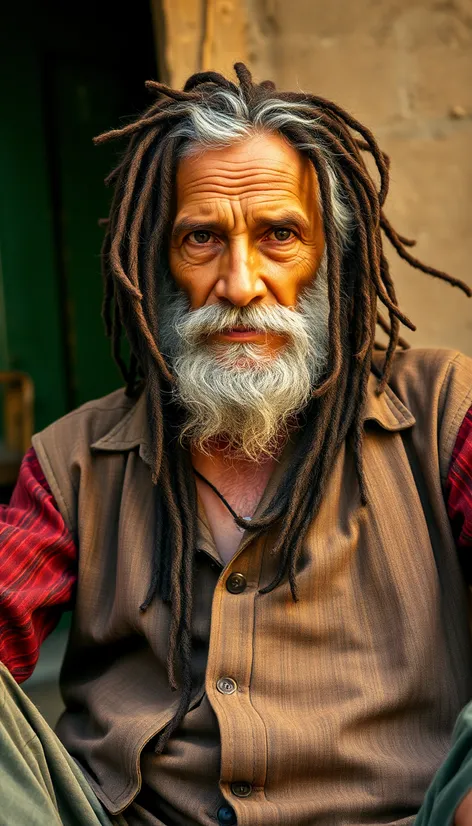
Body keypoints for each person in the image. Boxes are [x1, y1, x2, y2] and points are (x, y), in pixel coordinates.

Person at [0, 62, 471, 826]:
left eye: (280, 234)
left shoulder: (442, 410)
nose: (240, 281)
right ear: (156, 262)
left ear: (331, 258)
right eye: (202, 239)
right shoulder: (73, 461)